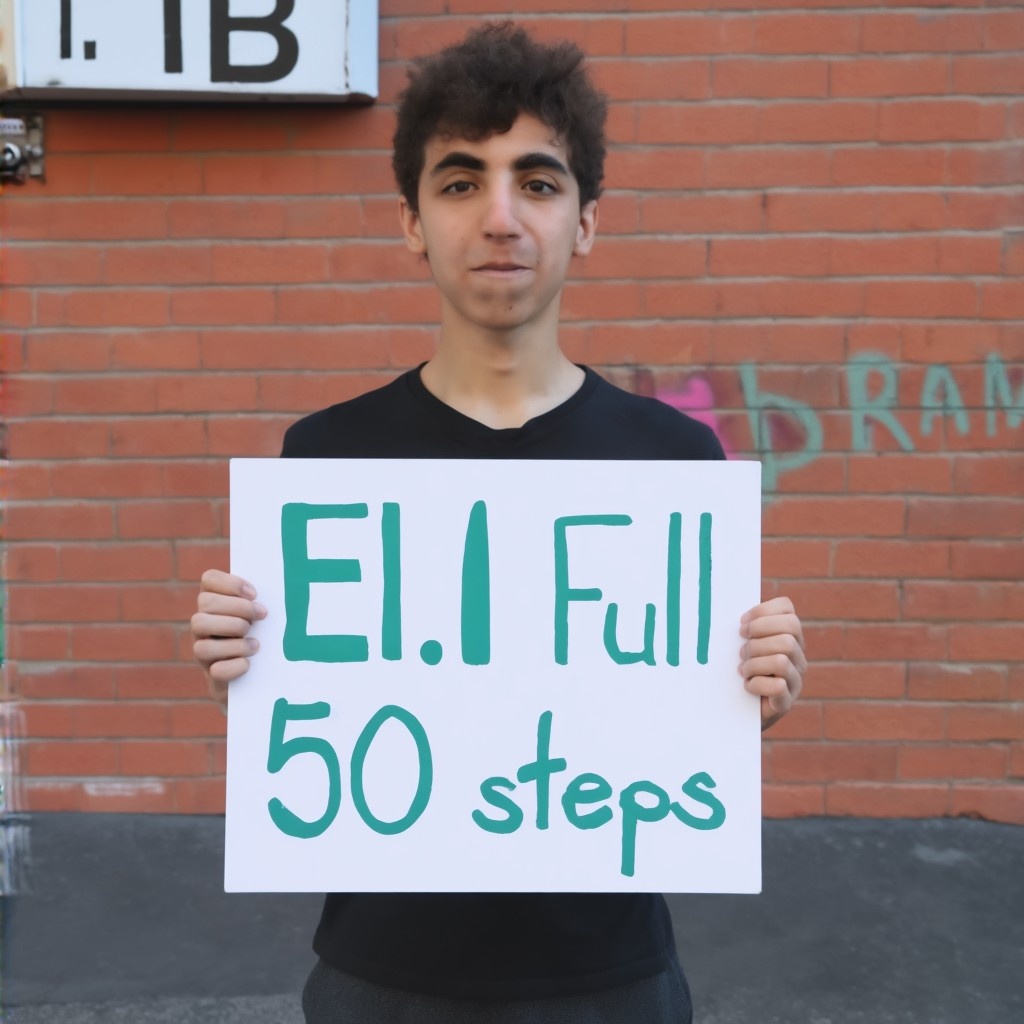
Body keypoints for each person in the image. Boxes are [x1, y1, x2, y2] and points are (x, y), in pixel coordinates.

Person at [191, 22, 807, 1024]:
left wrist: (746, 699)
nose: (501, 217)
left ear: (586, 222)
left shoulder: (674, 464)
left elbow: (679, 729)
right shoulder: (328, 459)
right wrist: (246, 673)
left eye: (538, 181)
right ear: (412, 222)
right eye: (460, 181)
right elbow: (315, 720)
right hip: (382, 978)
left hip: (609, 980)